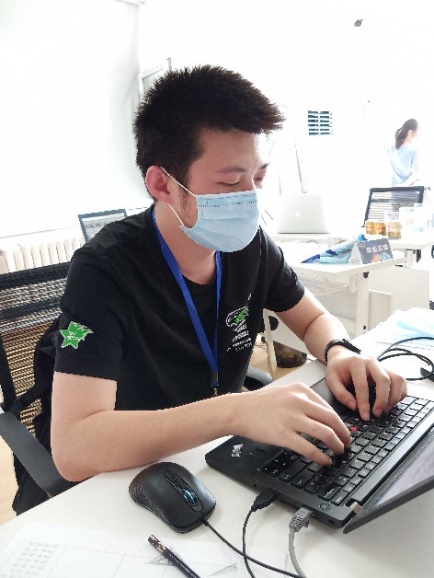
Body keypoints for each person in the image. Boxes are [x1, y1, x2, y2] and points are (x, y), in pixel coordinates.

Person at [44, 65, 407, 494]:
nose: (250, 199)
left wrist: (338, 350)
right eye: (231, 181)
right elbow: (74, 448)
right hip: (139, 475)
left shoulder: (251, 247)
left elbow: (311, 320)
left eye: (258, 178)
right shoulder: (104, 270)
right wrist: (236, 411)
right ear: (162, 184)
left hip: (217, 457)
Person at [388, 118, 420, 186]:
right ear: (410, 132)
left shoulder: (391, 149)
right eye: (417, 133)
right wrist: (403, 186)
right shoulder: (414, 150)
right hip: (410, 191)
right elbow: (416, 174)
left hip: (394, 191)